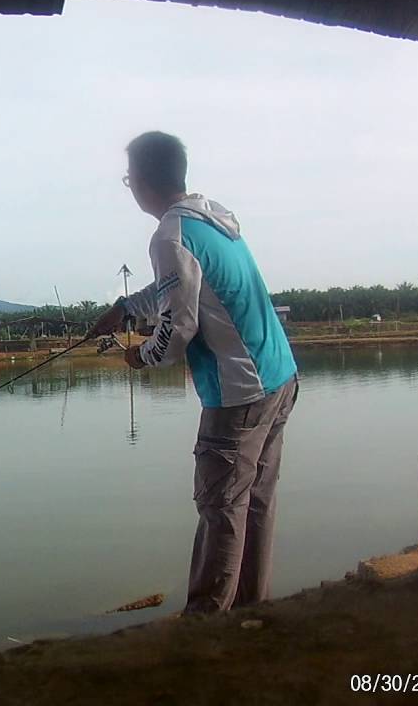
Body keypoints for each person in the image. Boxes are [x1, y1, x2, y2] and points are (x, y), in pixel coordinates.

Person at [89, 131, 299, 613]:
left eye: (128, 179)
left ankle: (205, 628)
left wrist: (140, 356)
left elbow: (177, 327)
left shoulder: (169, 235)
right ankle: (251, 612)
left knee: (221, 507)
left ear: (140, 182)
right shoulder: (210, 218)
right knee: (255, 502)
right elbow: (181, 288)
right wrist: (125, 308)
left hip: (239, 394)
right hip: (278, 377)